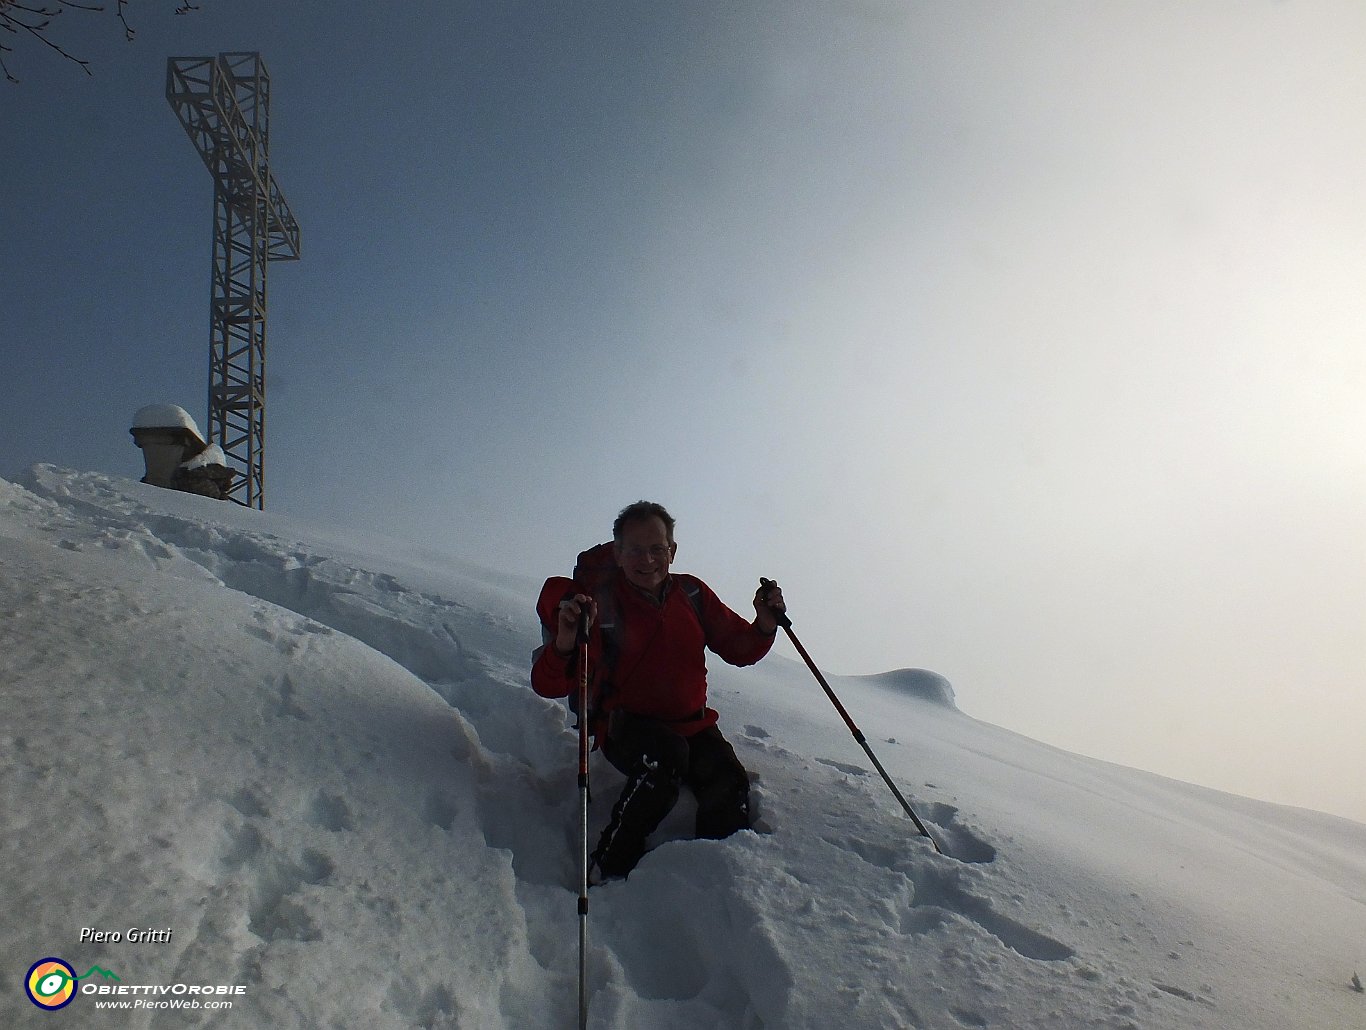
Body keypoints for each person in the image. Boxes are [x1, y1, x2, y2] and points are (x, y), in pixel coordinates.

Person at [531, 500, 786, 880]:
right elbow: (549, 683)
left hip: (693, 725)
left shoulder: (692, 594)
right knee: (663, 762)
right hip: (627, 726)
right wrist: (566, 643)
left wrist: (763, 626)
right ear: (617, 553)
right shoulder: (600, 605)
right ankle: (610, 866)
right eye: (634, 549)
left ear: (672, 551)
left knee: (728, 782)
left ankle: (714, 877)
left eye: (656, 549)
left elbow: (738, 646)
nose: (647, 559)